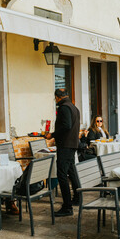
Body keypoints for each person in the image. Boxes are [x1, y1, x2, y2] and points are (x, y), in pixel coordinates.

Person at [46, 89, 80, 217]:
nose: (55, 100)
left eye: (55, 98)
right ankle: (77, 198)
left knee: (61, 174)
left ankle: (67, 206)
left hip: (65, 145)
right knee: (71, 171)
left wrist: (52, 135)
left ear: (58, 97)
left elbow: (66, 125)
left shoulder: (63, 108)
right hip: (72, 144)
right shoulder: (74, 108)